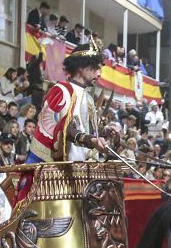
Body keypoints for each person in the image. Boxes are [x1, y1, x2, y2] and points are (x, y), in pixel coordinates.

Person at [20, 42, 110, 191]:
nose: (99, 74)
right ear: (80, 67)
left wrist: (105, 132)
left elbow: (89, 133)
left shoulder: (88, 98)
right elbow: (55, 130)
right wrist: (88, 139)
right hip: (57, 177)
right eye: (95, 68)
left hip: (82, 176)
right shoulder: (61, 90)